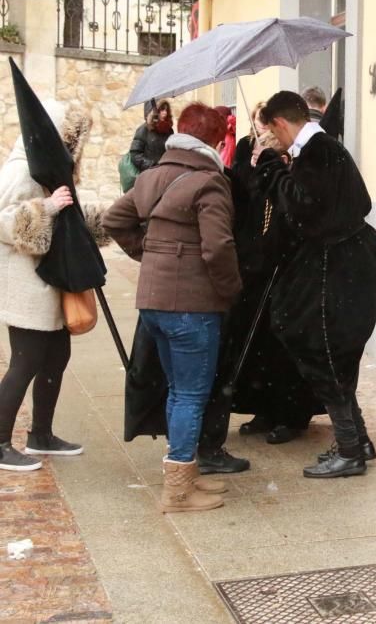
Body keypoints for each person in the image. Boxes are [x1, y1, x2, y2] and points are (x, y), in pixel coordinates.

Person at [104, 103, 242, 513]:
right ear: (214, 142)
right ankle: (179, 492)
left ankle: (185, 476)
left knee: (178, 391)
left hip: (153, 302)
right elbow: (218, 246)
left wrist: (150, 254)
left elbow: (114, 219)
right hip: (192, 306)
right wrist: (231, 290)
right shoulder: (209, 183)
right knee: (190, 395)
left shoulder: (151, 177)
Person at [252, 91, 376, 479]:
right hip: (340, 265)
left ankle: (349, 449)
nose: (269, 141)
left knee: (323, 349)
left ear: (279, 123)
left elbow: (303, 208)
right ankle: (356, 440)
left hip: (335, 270)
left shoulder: (319, 151)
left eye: (269, 133)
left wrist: (273, 170)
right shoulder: (322, 151)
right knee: (332, 353)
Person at [208, 102, 321, 452]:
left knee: (282, 350)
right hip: (253, 277)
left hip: (285, 277)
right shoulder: (255, 180)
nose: (259, 157)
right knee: (253, 348)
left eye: (266, 153)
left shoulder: (292, 180)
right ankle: (262, 409)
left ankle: (289, 414)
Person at [0, 101, 105, 472]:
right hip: (25, 283)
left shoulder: (49, 168)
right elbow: (4, 222)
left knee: (57, 357)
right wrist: (46, 208)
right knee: (25, 362)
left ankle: (41, 434)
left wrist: (90, 221)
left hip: (51, 280)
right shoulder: (19, 171)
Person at [129, 99, 174, 172]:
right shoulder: (143, 130)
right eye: (161, 110)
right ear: (154, 112)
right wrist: (153, 165)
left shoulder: (169, 131)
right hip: (148, 174)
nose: (165, 113)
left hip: (164, 173)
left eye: (166, 110)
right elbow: (135, 155)